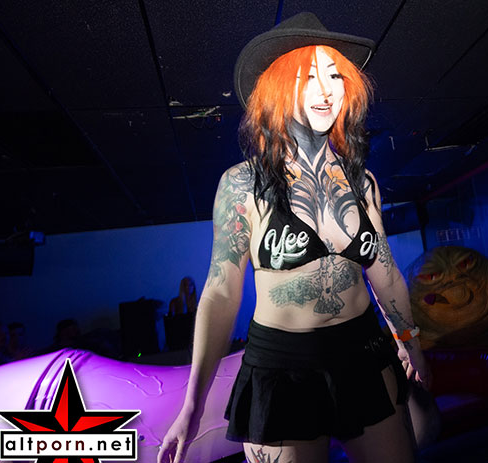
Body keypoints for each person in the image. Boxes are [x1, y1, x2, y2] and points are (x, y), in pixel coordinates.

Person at [157, 12, 430, 463]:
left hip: (364, 352)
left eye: (335, 75)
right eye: (309, 76)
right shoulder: (242, 184)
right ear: (279, 88)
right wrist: (193, 404)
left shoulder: (362, 182)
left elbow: (386, 275)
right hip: (282, 369)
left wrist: (411, 345)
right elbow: (220, 294)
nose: (327, 90)